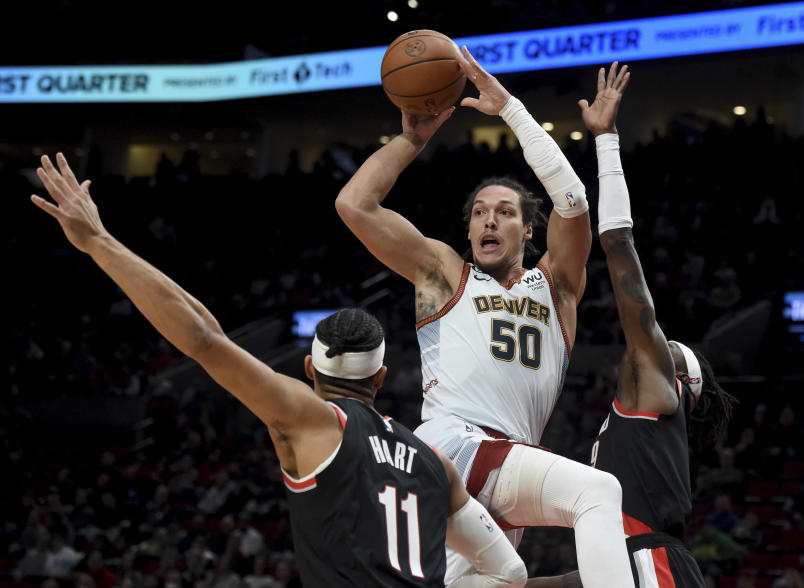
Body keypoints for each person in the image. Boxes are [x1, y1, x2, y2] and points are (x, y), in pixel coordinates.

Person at [29, 153, 526, 588]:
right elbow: (511, 573)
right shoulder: (433, 461)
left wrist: (99, 242)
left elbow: (204, 338)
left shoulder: (310, 419)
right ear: (380, 377)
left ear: (310, 369)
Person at [336, 48, 633, 587]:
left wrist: (511, 110)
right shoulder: (446, 274)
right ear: (470, 233)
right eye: (478, 213)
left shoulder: (558, 286)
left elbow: (573, 201)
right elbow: (355, 205)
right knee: (597, 491)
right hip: (453, 444)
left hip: (505, 467)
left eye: (505, 212)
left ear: (527, 232)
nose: (489, 219)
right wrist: (413, 139)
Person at [529, 62, 737, 588]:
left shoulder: (652, 396)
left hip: (655, 568)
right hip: (639, 566)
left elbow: (619, 244)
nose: (650, 344)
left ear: (674, 380)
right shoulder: (634, 437)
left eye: (664, 349)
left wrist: (607, 142)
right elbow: (603, 568)